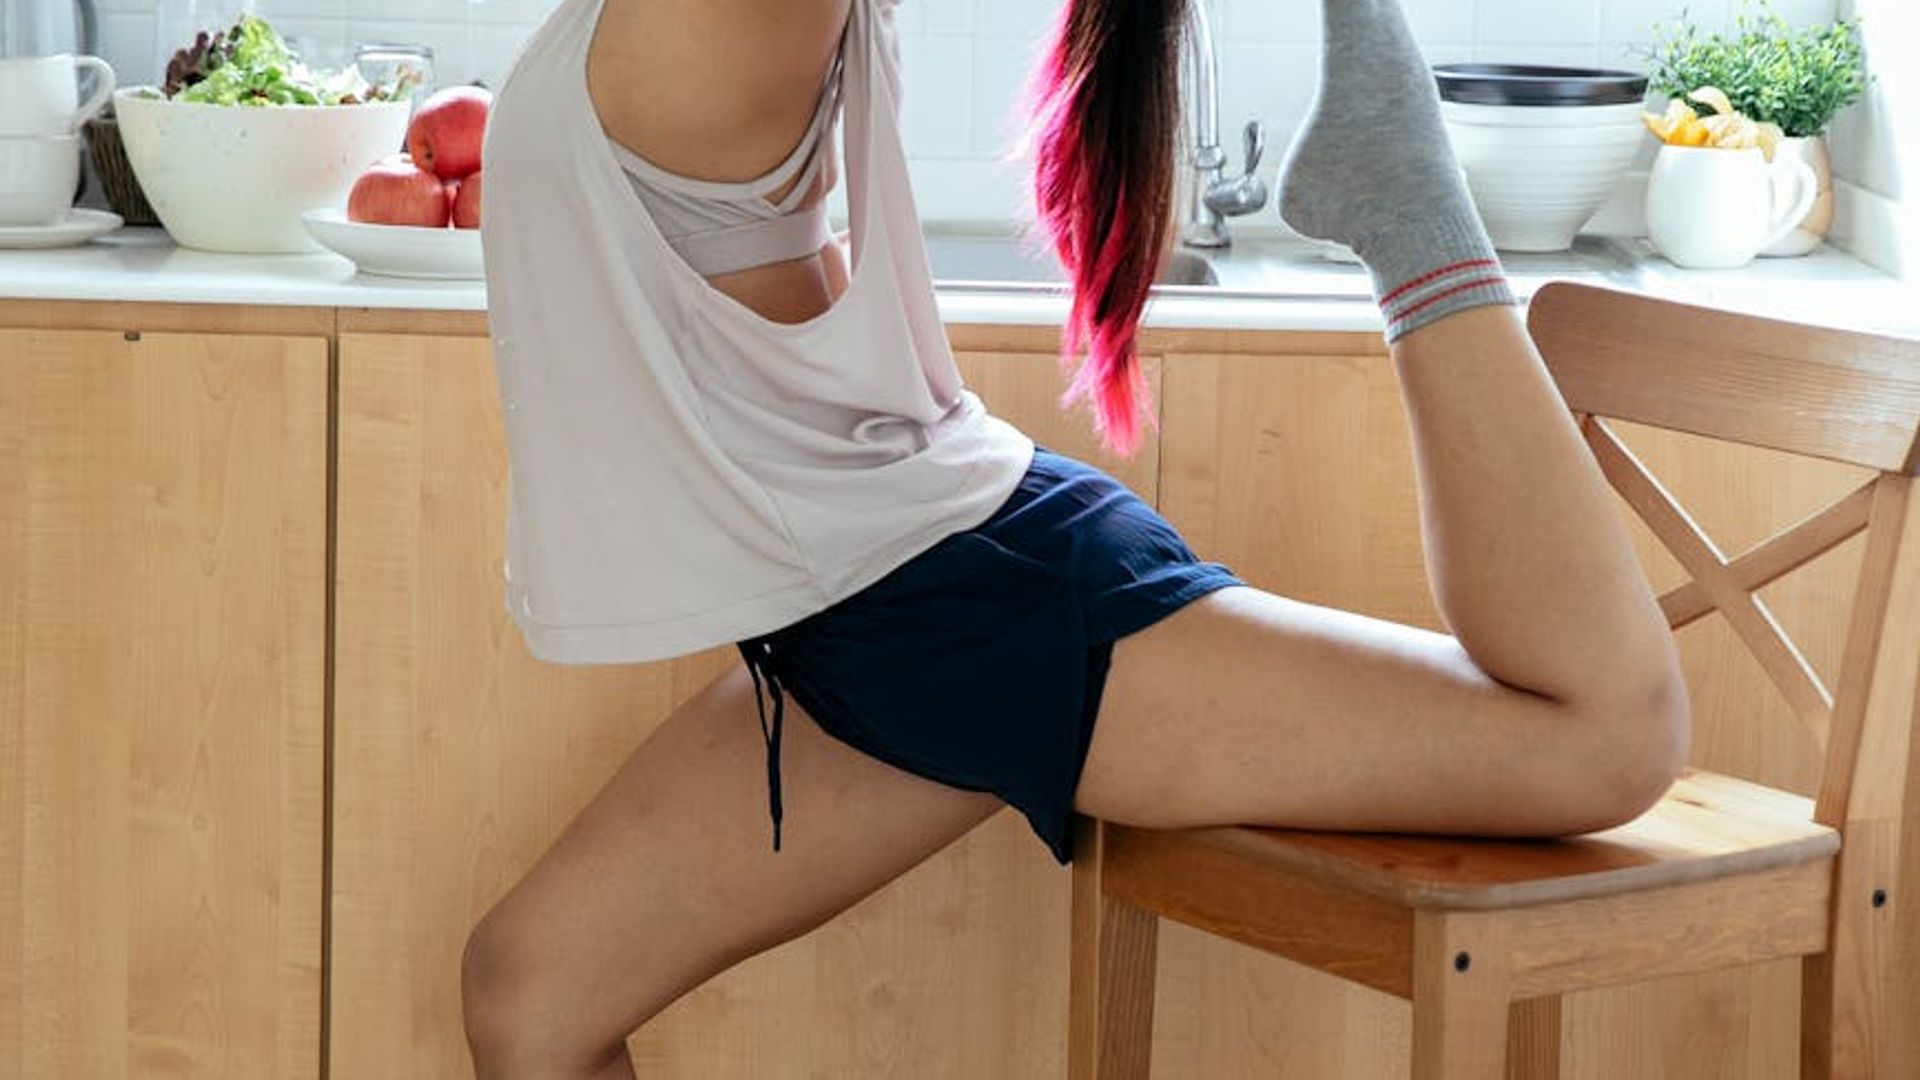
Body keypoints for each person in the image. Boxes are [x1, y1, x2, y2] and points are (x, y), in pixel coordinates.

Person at [461, 0, 1691, 1075]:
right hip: (852, 620)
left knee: (1607, 739)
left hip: (982, 611)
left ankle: (1405, 193)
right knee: (529, 997)